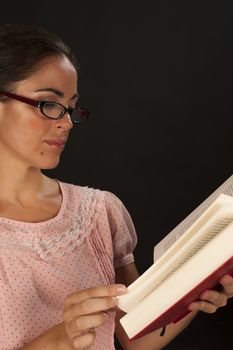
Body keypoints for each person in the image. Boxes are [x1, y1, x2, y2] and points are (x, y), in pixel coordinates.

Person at [0, 24, 232, 350]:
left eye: (70, 107)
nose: (66, 121)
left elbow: (135, 339)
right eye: (48, 104)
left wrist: (194, 291)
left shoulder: (98, 212)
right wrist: (60, 339)